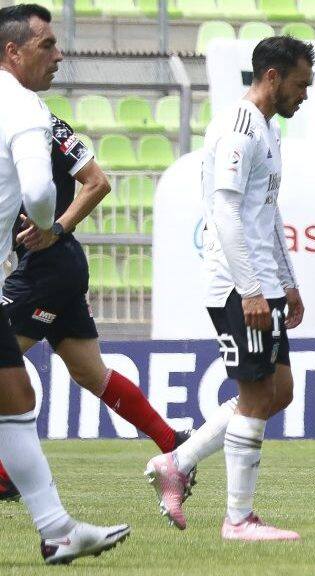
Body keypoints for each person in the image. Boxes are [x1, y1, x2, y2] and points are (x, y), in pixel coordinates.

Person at [144, 36, 312, 541]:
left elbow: (268, 211)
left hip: (262, 281)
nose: (304, 95)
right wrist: (253, 289)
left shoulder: (268, 130)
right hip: (240, 284)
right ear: (273, 76)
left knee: (277, 391)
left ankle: (178, 461)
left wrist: (288, 282)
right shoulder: (240, 129)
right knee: (257, 395)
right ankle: (238, 519)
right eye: (301, 84)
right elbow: (226, 212)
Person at [0, 109, 194, 506]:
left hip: (45, 268)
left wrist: (55, 228)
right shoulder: (30, 120)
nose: (56, 59)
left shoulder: (38, 123)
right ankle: (172, 442)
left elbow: (97, 182)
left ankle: (5, 477)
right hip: (57, 266)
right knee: (93, 374)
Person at [0, 4, 129, 563]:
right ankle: (57, 530)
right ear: (14, 51)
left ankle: (57, 531)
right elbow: (40, 188)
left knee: (15, 399)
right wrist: (50, 228)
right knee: (15, 400)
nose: (58, 55)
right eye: (47, 45)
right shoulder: (23, 107)